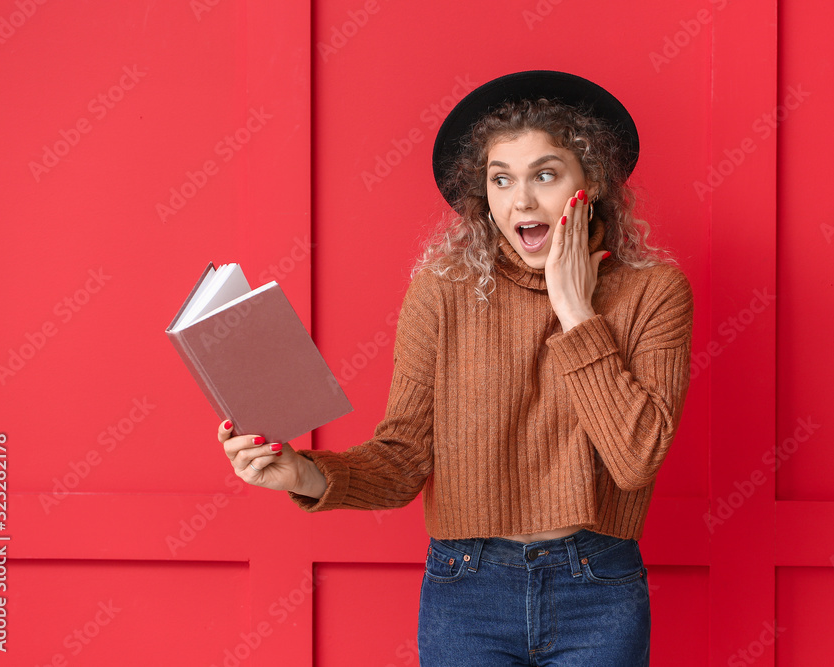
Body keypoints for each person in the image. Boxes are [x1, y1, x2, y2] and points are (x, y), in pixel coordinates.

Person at [219, 70, 693, 666]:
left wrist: (574, 309)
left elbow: (635, 459)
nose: (521, 200)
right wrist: (302, 474)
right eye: (502, 180)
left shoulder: (654, 293)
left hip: (597, 586)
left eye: (544, 175)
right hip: (468, 591)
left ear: (591, 181)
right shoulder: (442, 292)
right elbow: (404, 457)